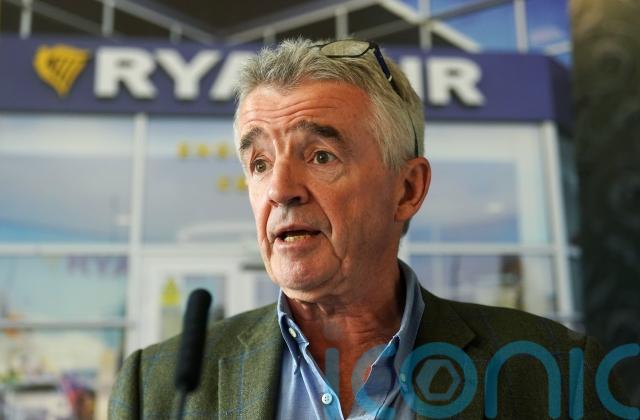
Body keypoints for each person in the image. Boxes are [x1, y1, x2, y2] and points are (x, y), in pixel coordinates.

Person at [109, 38, 628, 419]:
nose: (280, 190)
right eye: (260, 163)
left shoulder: (556, 372)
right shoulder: (155, 388)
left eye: (321, 155)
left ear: (407, 189)